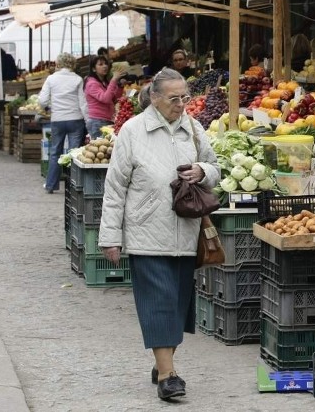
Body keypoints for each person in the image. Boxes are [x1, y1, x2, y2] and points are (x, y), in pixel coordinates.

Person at [98, 67, 219, 402]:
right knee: (159, 303)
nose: (181, 104)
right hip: (146, 231)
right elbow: (115, 187)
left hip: (185, 230)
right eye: (173, 99)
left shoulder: (193, 129)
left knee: (178, 304)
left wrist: (203, 171)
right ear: (154, 98)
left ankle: (162, 360)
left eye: (185, 97)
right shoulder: (133, 132)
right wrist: (110, 236)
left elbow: (215, 166)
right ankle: (168, 375)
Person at [39, 53, 88, 193]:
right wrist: (87, 121)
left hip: (57, 120)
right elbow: (82, 103)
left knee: (55, 152)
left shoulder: (51, 79)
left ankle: (51, 185)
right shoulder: (78, 79)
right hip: (75, 119)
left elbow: (42, 101)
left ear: (58, 64)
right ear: (73, 64)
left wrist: (48, 107)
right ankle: (73, 186)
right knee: (74, 153)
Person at [84, 55, 125, 140]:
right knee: (101, 149)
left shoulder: (104, 82)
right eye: (101, 64)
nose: (105, 66)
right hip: (97, 121)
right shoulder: (91, 83)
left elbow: (114, 99)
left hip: (106, 119)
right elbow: (105, 99)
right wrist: (113, 80)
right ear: (93, 69)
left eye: (106, 64)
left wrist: (120, 86)